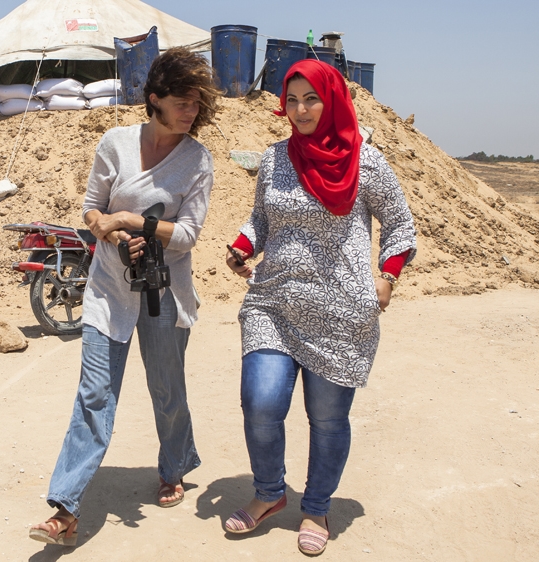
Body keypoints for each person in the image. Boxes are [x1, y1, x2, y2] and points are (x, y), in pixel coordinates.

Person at [222, 59, 416, 556]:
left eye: (311, 99)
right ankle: (270, 494)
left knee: (327, 419)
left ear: (331, 101)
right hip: (273, 300)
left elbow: (400, 224)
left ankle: (317, 507)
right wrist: (242, 246)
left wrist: (387, 276)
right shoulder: (274, 158)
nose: (301, 110)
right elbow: (260, 218)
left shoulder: (365, 160)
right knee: (260, 402)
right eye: (292, 100)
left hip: (339, 312)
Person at [28, 47, 221, 547]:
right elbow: (92, 209)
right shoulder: (115, 143)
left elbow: (188, 235)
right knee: (94, 394)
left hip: (165, 293)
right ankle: (65, 507)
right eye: (181, 102)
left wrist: (135, 221)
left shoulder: (197, 160)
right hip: (109, 290)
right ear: (155, 98)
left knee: (167, 391)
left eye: (197, 103)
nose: (191, 111)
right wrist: (114, 235)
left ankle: (174, 466)